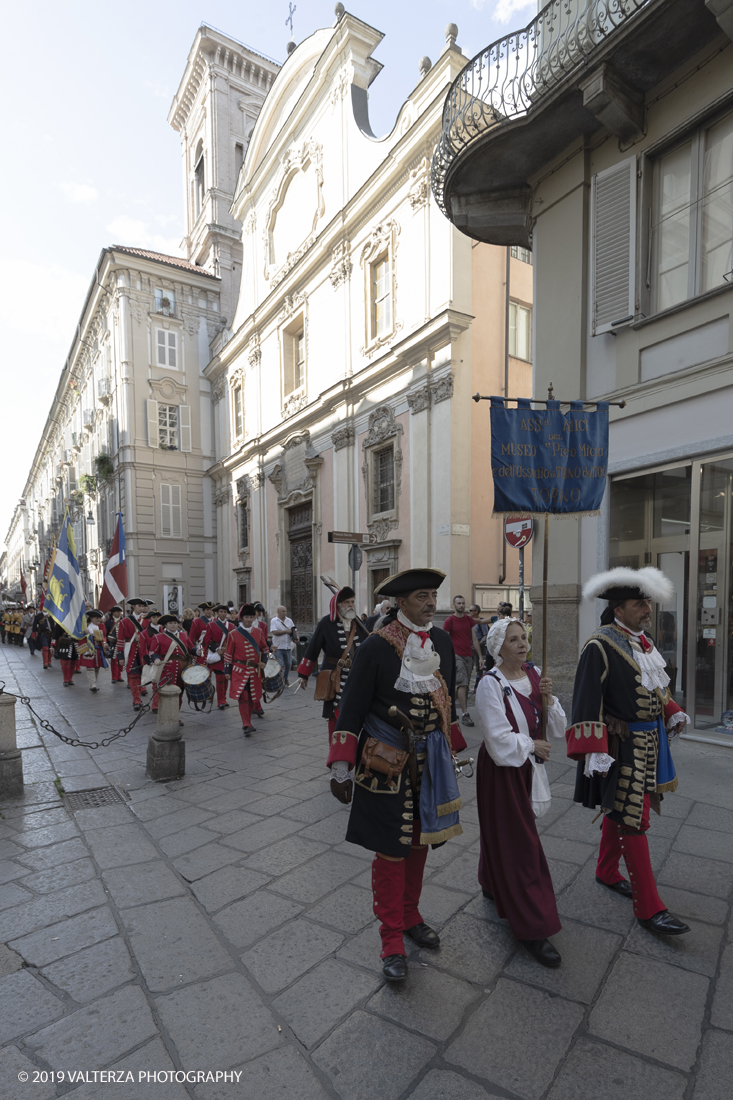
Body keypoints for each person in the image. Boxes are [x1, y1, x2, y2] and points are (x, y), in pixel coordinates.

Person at [329, 568, 468, 982]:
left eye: (433, 595)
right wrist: (340, 765)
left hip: (431, 761)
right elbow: (350, 707)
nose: (431, 602)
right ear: (401, 603)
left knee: (421, 841)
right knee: (391, 849)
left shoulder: (441, 641)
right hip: (384, 763)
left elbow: (447, 700)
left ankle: (410, 916)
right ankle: (391, 941)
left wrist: (453, 747)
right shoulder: (376, 646)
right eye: (422, 596)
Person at [568, 566, 690, 937]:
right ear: (619, 609)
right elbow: (586, 702)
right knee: (635, 820)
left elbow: (655, 687)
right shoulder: (600, 645)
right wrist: (595, 751)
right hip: (621, 747)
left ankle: (606, 871)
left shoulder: (644, 641)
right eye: (640, 603)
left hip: (651, 741)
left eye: (648, 602)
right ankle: (649, 908)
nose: (648, 609)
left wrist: (672, 711)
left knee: (620, 810)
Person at [475, 618, 567, 967]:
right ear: (498, 648)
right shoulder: (489, 684)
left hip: (527, 763)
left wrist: (549, 696)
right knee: (521, 843)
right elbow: (497, 740)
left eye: (524, 638)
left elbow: (555, 726)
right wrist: (532, 746)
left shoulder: (534, 673)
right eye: (513, 640)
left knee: (504, 832)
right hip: (503, 770)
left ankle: (491, 880)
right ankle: (532, 925)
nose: (522, 644)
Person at [297, 587, 369, 741]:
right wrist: (303, 674)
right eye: (346, 602)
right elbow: (313, 648)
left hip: (356, 675)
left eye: (352, 602)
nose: (350, 605)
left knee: (356, 711)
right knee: (335, 713)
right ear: (338, 605)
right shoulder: (326, 623)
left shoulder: (358, 623)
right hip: (334, 675)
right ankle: (336, 751)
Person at [224, 604, 265, 736]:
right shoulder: (233, 634)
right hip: (239, 670)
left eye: (251, 617)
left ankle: (249, 722)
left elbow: (265, 649)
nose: (248, 619)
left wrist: (264, 661)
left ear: (254, 618)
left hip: (254, 671)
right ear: (241, 618)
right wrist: (227, 671)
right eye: (246, 617)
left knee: (253, 696)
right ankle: (246, 723)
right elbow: (228, 654)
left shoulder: (258, 632)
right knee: (243, 696)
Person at [443, 595, 480, 727]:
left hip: (468, 656)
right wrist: (447, 658)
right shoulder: (449, 621)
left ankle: (446, 706)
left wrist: (480, 656)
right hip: (456, 655)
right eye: (459, 603)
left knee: (461, 686)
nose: (461, 605)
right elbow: (445, 641)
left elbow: (474, 639)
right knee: (463, 684)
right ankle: (465, 714)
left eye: (463, 603)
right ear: (454, 605)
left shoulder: (469, 620)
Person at [147, 614, 192, 717]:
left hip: (182, 667)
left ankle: (175, 716)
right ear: (165, 625)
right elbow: (152, 652)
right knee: (166, 693)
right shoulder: (158, 637)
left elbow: (191, 648)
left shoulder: (184, 635)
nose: (173, 625)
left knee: (179, 693)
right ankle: (166, 716)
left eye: (175, 623)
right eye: (170, 623)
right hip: (167, 669)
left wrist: (198, 651)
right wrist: (156, 659)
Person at [115, 597, 150, 710]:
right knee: (133, 675)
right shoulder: (124, 621)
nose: (141, 608)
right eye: (139, 606)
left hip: (143, 651)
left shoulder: (146, 620)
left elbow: (151, 637)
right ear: (134, 607)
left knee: (143, 674)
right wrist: (120, 656)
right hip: (131, 651)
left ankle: (142, 692)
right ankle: (136, 699)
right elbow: (120, 640)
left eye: (142, 606)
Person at [202, 604, 234, 709]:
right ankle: (220, 700)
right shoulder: (211, 625)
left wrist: (228, 650)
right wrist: (217, 649)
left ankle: (224, 697)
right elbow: (207, 641)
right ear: (217, 613)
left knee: (226, 677)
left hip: (227, 655)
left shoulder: (232, 626)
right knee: (220, 677)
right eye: (221, 612)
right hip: (217, 654)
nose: (223, 614)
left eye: (225, 612)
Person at [80, 610, 108, 691]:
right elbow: (80, 636)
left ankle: (93, 683)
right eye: (96, 618)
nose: (98, 619)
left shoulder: (102, 626)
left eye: (99, 618)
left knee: (96, 668)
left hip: (98, 650)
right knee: (90, 668)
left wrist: (92, 633)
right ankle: (93, 684)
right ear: (91, 618)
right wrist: (84, 632)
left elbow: (103, 635)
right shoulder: (85, 626)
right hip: (88, 650)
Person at [270, 605, 297, 686]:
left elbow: (294, 630)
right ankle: (280, 680)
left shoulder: (289, 620)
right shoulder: (274, 620)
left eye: (285, 611)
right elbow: (274, 632)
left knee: (288, 664)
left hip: (287, 646)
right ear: (278, 612)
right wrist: (286, 631)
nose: (285, 613)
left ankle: (285, 678)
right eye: (283, 611)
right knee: (280, 664)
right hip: (278, 647)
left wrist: (297, 637)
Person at [105, 607, 125, 683]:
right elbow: (105, 633)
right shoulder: (108, 621)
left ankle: (119, 675)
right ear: (113, 613)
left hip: (121, 643)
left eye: (120, 612)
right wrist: (106, 642)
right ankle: (114, 677)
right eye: (117, 612)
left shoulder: (123, 620)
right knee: (114, 661)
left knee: (121, 660)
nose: (119, 613)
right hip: (112, 643)